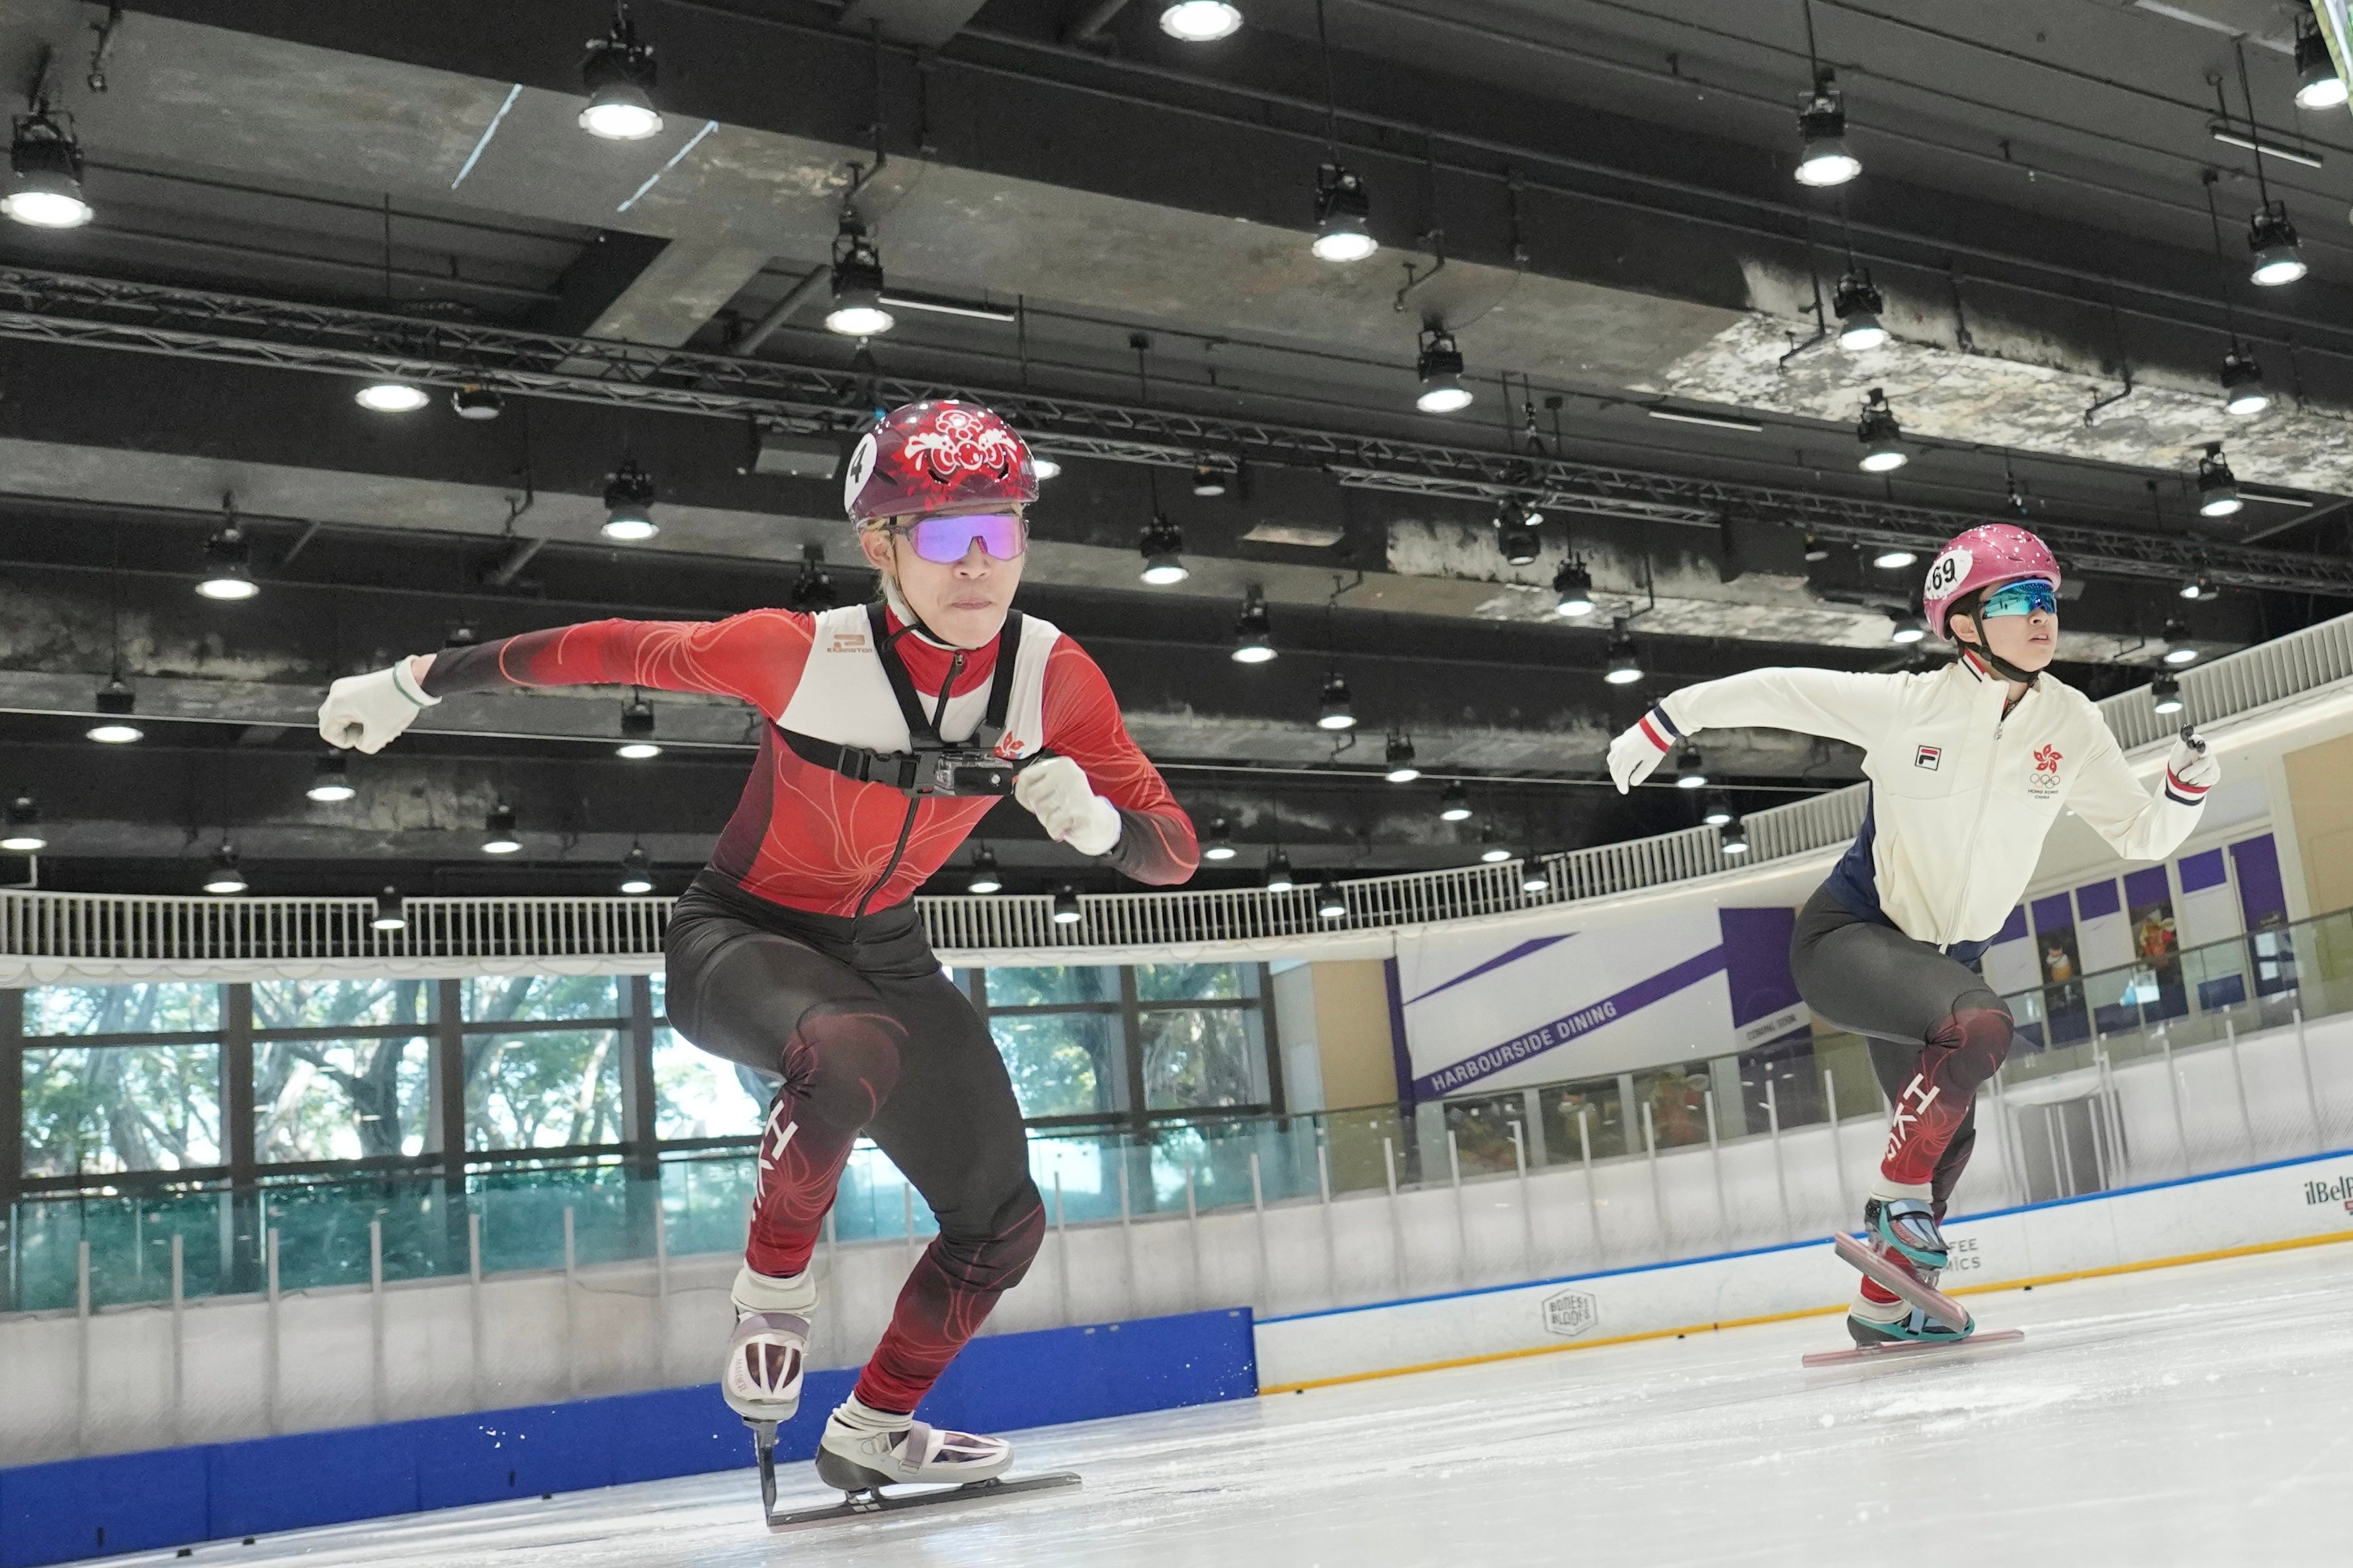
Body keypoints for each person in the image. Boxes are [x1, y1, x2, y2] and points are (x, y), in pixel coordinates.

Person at [318, 399, 1198, 1488]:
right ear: (878, 546)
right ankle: (771, 1289)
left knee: (1002, 1218)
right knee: (851, 1048)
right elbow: (607, 652)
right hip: (738, 935)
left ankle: (874, 1429)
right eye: (940, 534)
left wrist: (1104, 828)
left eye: (1000, 531)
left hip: (885, 949)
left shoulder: (1050, 673)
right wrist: (414, 682)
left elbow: (1174, 855)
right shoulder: (800, 654)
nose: (977, 564)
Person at [1605, 524, 2217, 1346]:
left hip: (1939, 963)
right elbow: (1777, 689)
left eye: (2045, 598)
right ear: (1962, 623)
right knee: (1981, 1028)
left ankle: (1882, 1304)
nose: (2040, 616)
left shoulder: (2069, 722)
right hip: (1849, 940)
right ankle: (1893, 1207)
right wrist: (1666, 719)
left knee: (1952, 1124)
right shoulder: (1905, 707)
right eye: (2014, 601)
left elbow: (2140, 834)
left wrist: (2182, 790)